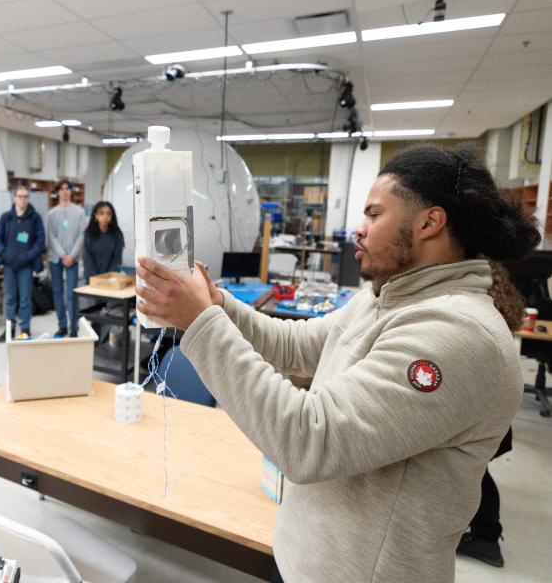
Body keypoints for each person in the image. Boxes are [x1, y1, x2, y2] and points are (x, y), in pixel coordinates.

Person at [134, 143, 538, 583]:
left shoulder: (459, 335)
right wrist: (217, 305)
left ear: (429, 222)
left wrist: (201, 322)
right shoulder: (386, 296)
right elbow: (295, 345)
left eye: (374, 214)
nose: (358, 230)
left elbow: (309, 440)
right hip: (305, 559)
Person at [455, 261, 521, 568]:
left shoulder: (478, 315)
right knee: (477, 471)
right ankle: (485, 533)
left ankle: (487, 538)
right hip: (492, 406)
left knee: (477, 472)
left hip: (484, 406)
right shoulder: (499, 307)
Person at [0, 184, 45, 342]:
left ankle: (25, 330)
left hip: (25, 266)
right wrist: (3, 253)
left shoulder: (35, 218)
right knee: (10, 299)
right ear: (14, 198)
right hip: (9, 265)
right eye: (20, 196)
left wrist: (29, 256)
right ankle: (9, 330)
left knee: (25, 299)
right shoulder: (6, 217)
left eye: (25, 196)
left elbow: (40, 240)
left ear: (28, 199)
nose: (22, 199)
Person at [46, 181, 86, 337]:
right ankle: (62, 325)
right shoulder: (51, 214)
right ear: (58, 192)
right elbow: (51, 236)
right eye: (61, 189)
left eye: (67, 189)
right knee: (57, 292)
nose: (64, 192)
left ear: (71, 192)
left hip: (73, 258)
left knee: (71, 293)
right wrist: (63, 255)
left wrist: (72, 255)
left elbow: (81, 235)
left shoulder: (80, 212)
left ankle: (73, 327)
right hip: (56, 258)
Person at [83, 201, 124, 280]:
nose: (105, 216)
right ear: (96, 216)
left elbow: (117, 261)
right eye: (102, 213)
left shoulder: (117, 236)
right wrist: (94, 279)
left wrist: (109, 278)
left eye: (108, 214)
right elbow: (88, 260)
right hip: (92, 280)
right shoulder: (88, 235)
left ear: (112, 217)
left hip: (110, 280)